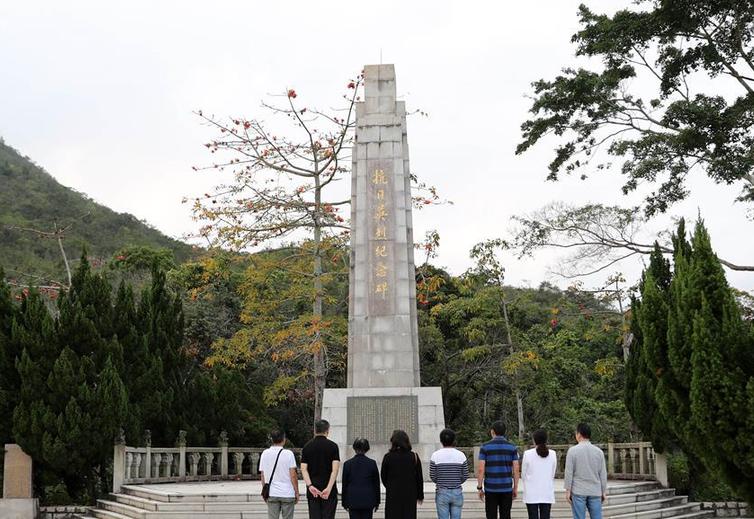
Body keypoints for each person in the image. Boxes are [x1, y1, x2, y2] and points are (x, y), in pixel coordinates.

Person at [476, 420, 520, 519]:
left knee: (491, 515)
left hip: (491, 488)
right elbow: (516, 469)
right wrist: (515, 487)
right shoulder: (512, 447)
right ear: (505, 432)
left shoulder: (485, 447)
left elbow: (481, 469)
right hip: (506, 487)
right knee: (506, 515)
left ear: (492, 431)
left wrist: (479, 487)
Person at [564, 423, 607, 519]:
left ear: (579, 434)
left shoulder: (572, 451)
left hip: (578, 490)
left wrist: (568, 490)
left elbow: (569, 473)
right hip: (595, 491)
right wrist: (603, 491)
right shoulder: (599, 452)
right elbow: (603, 473)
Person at [301, 419, 341, 519]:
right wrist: (328, 488)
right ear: (327, 431)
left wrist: (310, 486)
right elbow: (335, 470)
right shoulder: (333, 447)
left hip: (313, 491)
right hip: (329, 491)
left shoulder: (307, 447)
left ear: (315, 431)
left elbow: (303, 469)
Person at [381, 429, 424, 519]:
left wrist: (390, 486)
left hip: (393, 494)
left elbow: (383, 476)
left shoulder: (388, 457)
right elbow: (419, 478)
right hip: (410, 494)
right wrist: (420, 495)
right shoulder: (414, 456)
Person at [260, 429, 299, 519]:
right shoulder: (289, 454)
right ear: (284, 439)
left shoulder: (265, 453)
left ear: (272, 440)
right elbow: (293, 475)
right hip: (287, 492)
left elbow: (262, 475)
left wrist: (265, 489)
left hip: (272, 492)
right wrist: (296, 492)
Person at [430, 428, 469, 519]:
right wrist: (456, 481)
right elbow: (465, 474)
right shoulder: (461, 455)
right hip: (457, 491)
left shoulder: (435, 455)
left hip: (442, 491)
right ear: (454, 440)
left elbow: (433, 475)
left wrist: (441, 481)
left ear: (441, 440)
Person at [342, 437, 380, 519]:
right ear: (367, 449)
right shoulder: (372, 463)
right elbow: (376, 484)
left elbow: (344, 484)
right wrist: (377, 502)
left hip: (353, 499)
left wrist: (344, 502)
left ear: (354, 448)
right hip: (368, 499)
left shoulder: (347, 464)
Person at [521, 429, 556, 519]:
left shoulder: (527, 454)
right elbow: (552, 473)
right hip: (547, 492)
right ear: (546, 440)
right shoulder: (553, 454)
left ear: (534, 440)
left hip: (531, 493)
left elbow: (523, 475)